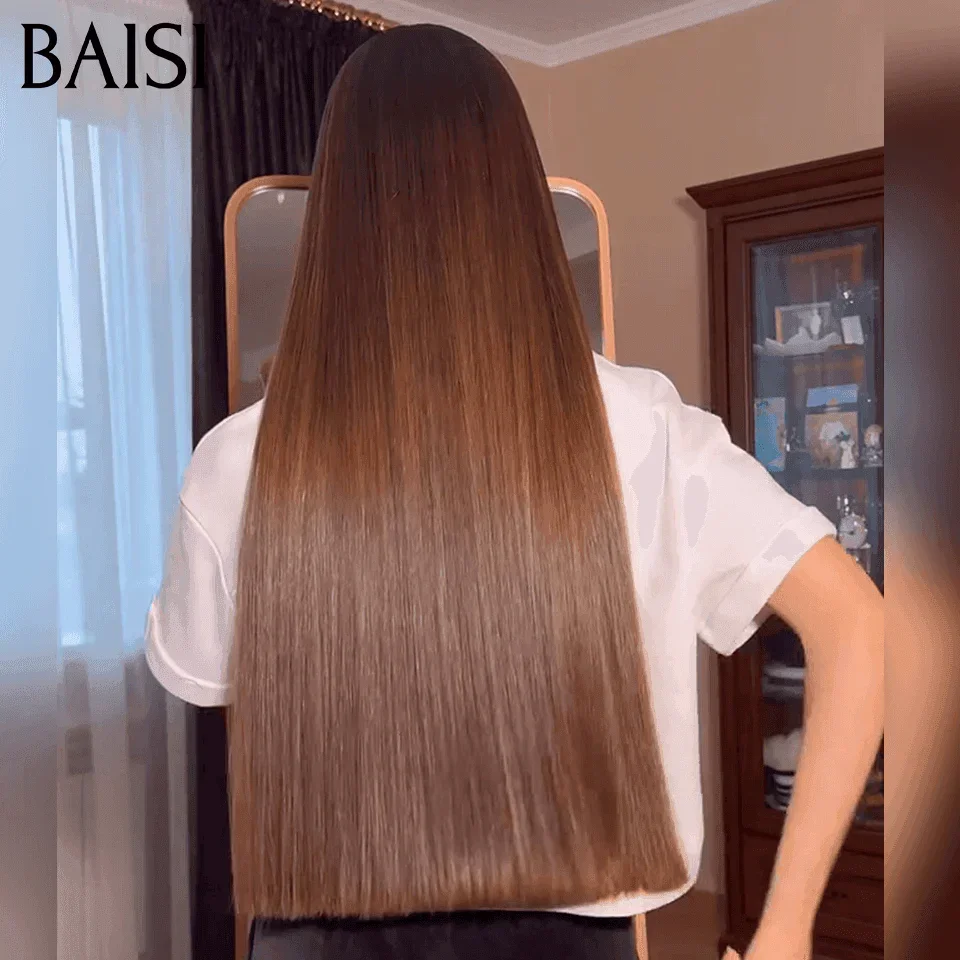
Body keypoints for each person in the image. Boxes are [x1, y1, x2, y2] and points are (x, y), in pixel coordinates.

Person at [145, 23, 884, 960]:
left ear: (336, 210)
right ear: (517, 197)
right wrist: (784, 929)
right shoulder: (647, 430)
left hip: (316, 933)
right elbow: (858, 626)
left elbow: (205, 674)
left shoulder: (239, 458)